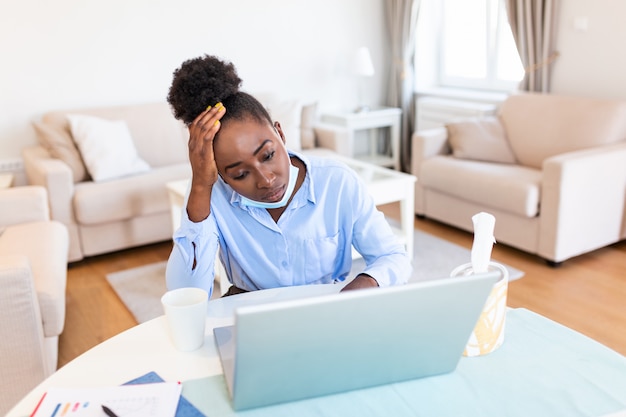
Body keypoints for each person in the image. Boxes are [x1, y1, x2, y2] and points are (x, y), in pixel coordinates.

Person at [165, 54, 411, 297]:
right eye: (240, 174)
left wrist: (368, 282)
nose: (266, 180)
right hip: (249, 314)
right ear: (220, 172)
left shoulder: (336, 183)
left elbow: (392, 257)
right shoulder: (210, 193)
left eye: (268, 155)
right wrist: (200, 185)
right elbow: (185, 295)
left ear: (280, 134)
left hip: (326, 314)